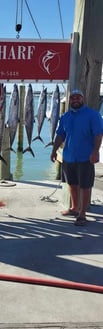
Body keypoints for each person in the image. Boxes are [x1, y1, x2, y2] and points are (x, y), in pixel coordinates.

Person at [50, 89, 103, 226]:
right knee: (71, 184)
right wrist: (54, 150)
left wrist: (96, 151)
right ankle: (74, 208)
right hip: (69, 157)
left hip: (86, 157)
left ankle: (82, 214)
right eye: (72, 97)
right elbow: (60, 135)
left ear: (82, 99)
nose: (75, 100)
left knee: (85, 186)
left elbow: (98, 134)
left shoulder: (93, 115)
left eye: (78, 97)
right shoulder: (66, 116)